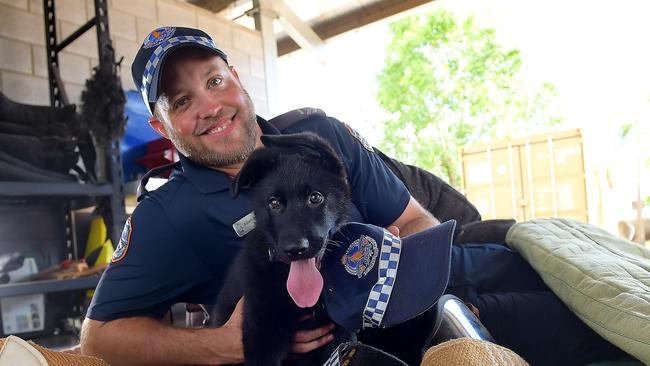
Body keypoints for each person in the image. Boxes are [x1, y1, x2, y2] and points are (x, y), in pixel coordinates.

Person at [81, 26, 625, 366]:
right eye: (182, 100)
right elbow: (100, 338)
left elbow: (414, 220)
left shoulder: (322, 135)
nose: (210, 105)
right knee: (588, 333)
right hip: (405, 340)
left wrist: (396, 270)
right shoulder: (166, 216)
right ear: (160, 123)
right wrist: (224, 345)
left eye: (215, 80)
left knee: (589, 289)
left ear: (237, 80)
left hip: (449, 274)